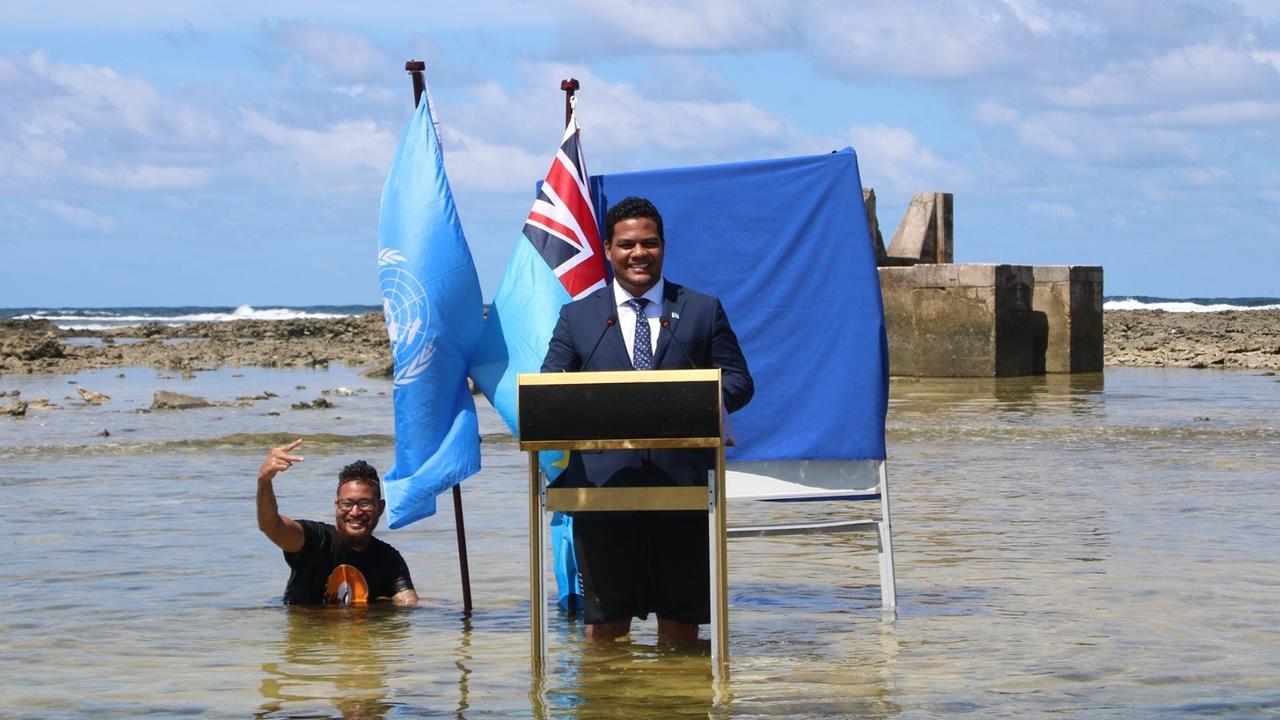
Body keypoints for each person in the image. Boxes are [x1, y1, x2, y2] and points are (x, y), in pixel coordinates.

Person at [541, 196, 754, 643]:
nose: (639, 253)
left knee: (680, 628)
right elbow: (550, 386)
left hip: (684, 488)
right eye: (627, 244)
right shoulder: (578, 317)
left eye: (649, 243)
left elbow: (738, 381)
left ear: (663, 247)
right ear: (608, 249)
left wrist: (694, 404)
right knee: (605, 629)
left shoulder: (700, 309)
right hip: (601, 492)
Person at [256, 439, 418, 605]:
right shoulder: (315, 541)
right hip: (308, 628)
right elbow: (271, 526)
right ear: (337, 506)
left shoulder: (389, 560)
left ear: (381, 508)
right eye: (347, 503)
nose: (355, 512)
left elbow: (408, 603)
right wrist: (264, 481)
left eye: (365, 503)